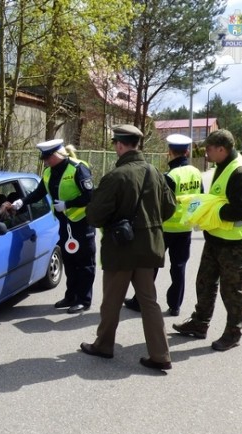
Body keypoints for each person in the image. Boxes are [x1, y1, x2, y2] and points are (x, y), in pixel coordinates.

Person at [79, 124, 176, 371]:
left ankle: (104, 345)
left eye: (114, 144)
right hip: (149, 248)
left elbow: (95, 216)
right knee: (149, 302)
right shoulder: (155, 172)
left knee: (111, 301)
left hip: (120, 249)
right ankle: (161, 354)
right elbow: (169, 209)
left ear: (120, 145)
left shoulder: (115, 176)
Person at [172, 129, 242, 351]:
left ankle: (233, 334)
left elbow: (239, 210)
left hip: (234, 244)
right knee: (205, 283)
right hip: (216, 238)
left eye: (209, 149)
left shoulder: (240, 173)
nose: (206, 153)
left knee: (232, 290)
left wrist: (209, 211)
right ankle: (199, 324)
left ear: (222, 149)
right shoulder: (222, 165)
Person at [11, 139, 96, 314]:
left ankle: (83, 299)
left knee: (85, 262)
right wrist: (22, 202)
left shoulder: (78, 168)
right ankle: (71, 296)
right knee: (70, 261)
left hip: (82, 223)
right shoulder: (49, 172)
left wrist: (68, 204)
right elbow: (38, 193)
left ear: (57, 155)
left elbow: (91, 196)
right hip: (64, 224)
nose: (45, 161)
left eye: (48, 157)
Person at [124, 134, 203, 316]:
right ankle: (175, 306)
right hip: (185, 228)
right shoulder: (196, 172)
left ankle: (141, 301)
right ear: (188, 151)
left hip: (165, 228)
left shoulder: (170, 176)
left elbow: (158, 204)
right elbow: (200, 198)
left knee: (151, 265)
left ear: (169, 152)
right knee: (179, 267)